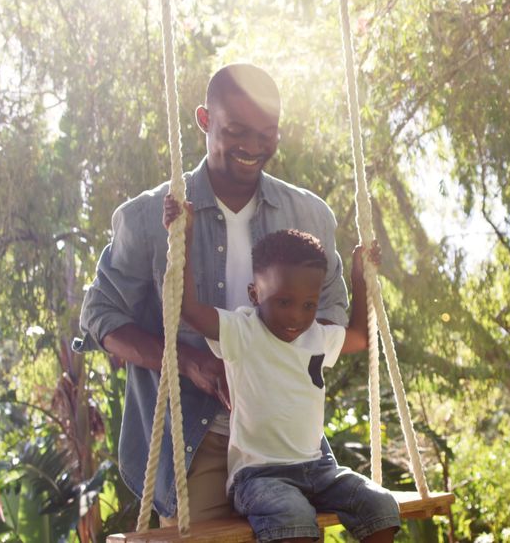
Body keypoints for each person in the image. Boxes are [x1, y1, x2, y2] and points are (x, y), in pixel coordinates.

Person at [78, 64, 348, 523]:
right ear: (204, 120)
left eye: (268, 134)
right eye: (236, 131)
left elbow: (333, 315)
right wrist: (188, 361)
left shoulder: (308, 215)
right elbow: (100, 316)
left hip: (285, 442)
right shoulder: (147, 217)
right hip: (193, 437)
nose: (254, 148)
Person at [164, 197, 399, 542]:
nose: (296, 316)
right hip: (259, 476)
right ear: (254, 295)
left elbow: (362, 336)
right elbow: (189, 310)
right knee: (292, 516)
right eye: (283, 302)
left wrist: (360, 276)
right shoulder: (242, 331)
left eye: (308, 305)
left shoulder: (317, 336)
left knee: (379, 504)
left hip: (319, 469)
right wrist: (182, 237)